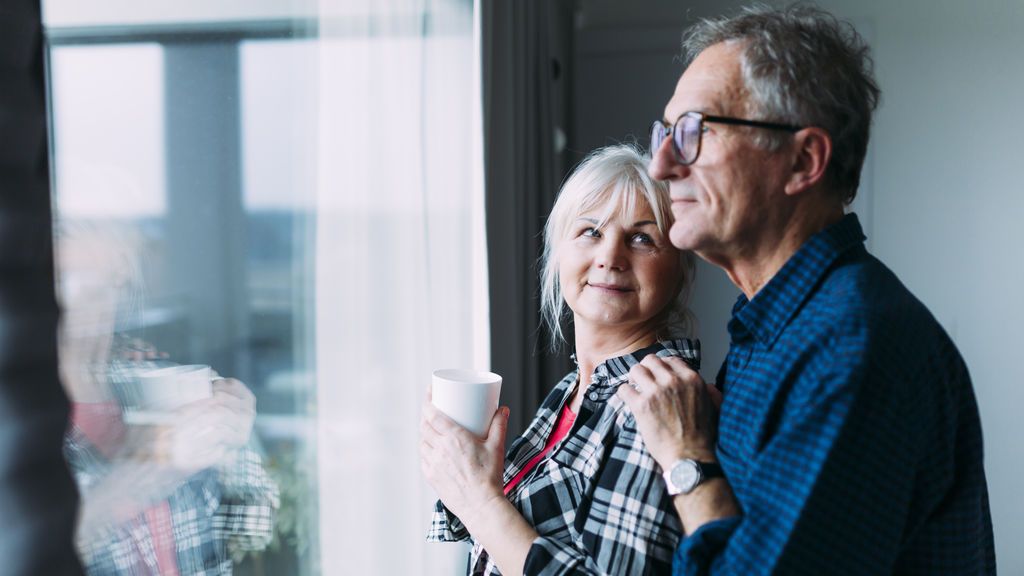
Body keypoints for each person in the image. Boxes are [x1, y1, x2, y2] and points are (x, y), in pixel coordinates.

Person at [615, 5, 996, 575]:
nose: (662, 163)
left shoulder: (856, 347)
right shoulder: (772, 325)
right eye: (665, 133)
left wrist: (686, 455)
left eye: (695, 131)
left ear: (803, 159)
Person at [422, 144, 713, 575]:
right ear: (557, 254)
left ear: (680, 270)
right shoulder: (573, 389)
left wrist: (478, 499)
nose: (610, 258)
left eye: (641, 238)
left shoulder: (656, 402)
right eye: (591, 231)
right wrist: (463, 473)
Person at [56, 222, 280, 575]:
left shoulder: (154, 383)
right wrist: (149, 469)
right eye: (71, 283)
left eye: (109, 283)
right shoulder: (21, 420)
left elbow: (252, 528)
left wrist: (234, 443)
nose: (94, 304)